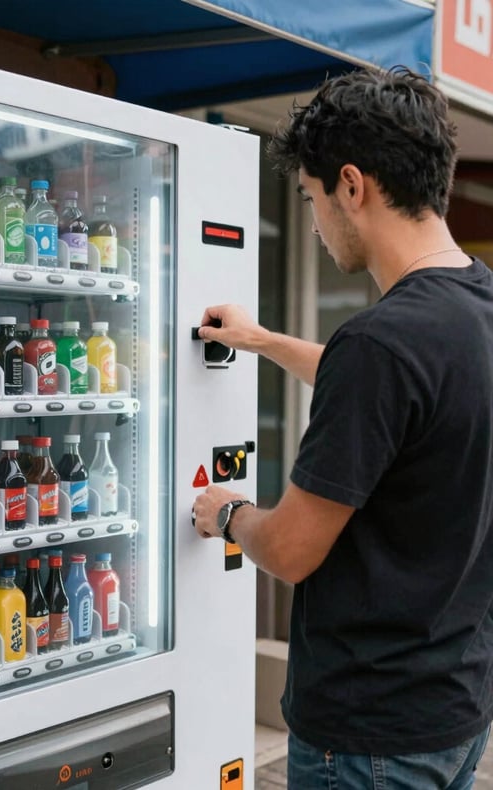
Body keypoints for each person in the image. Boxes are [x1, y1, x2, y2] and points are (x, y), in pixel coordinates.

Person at [191, 67, 493, 789]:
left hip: (365, 737)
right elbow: (405, 392)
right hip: (457, 714)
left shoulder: (381, 344)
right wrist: (262, 340)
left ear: (351, 186)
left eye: (311, 198)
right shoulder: (475, 307)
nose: (317, 224)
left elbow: (292, 550)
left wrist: (227, 512)